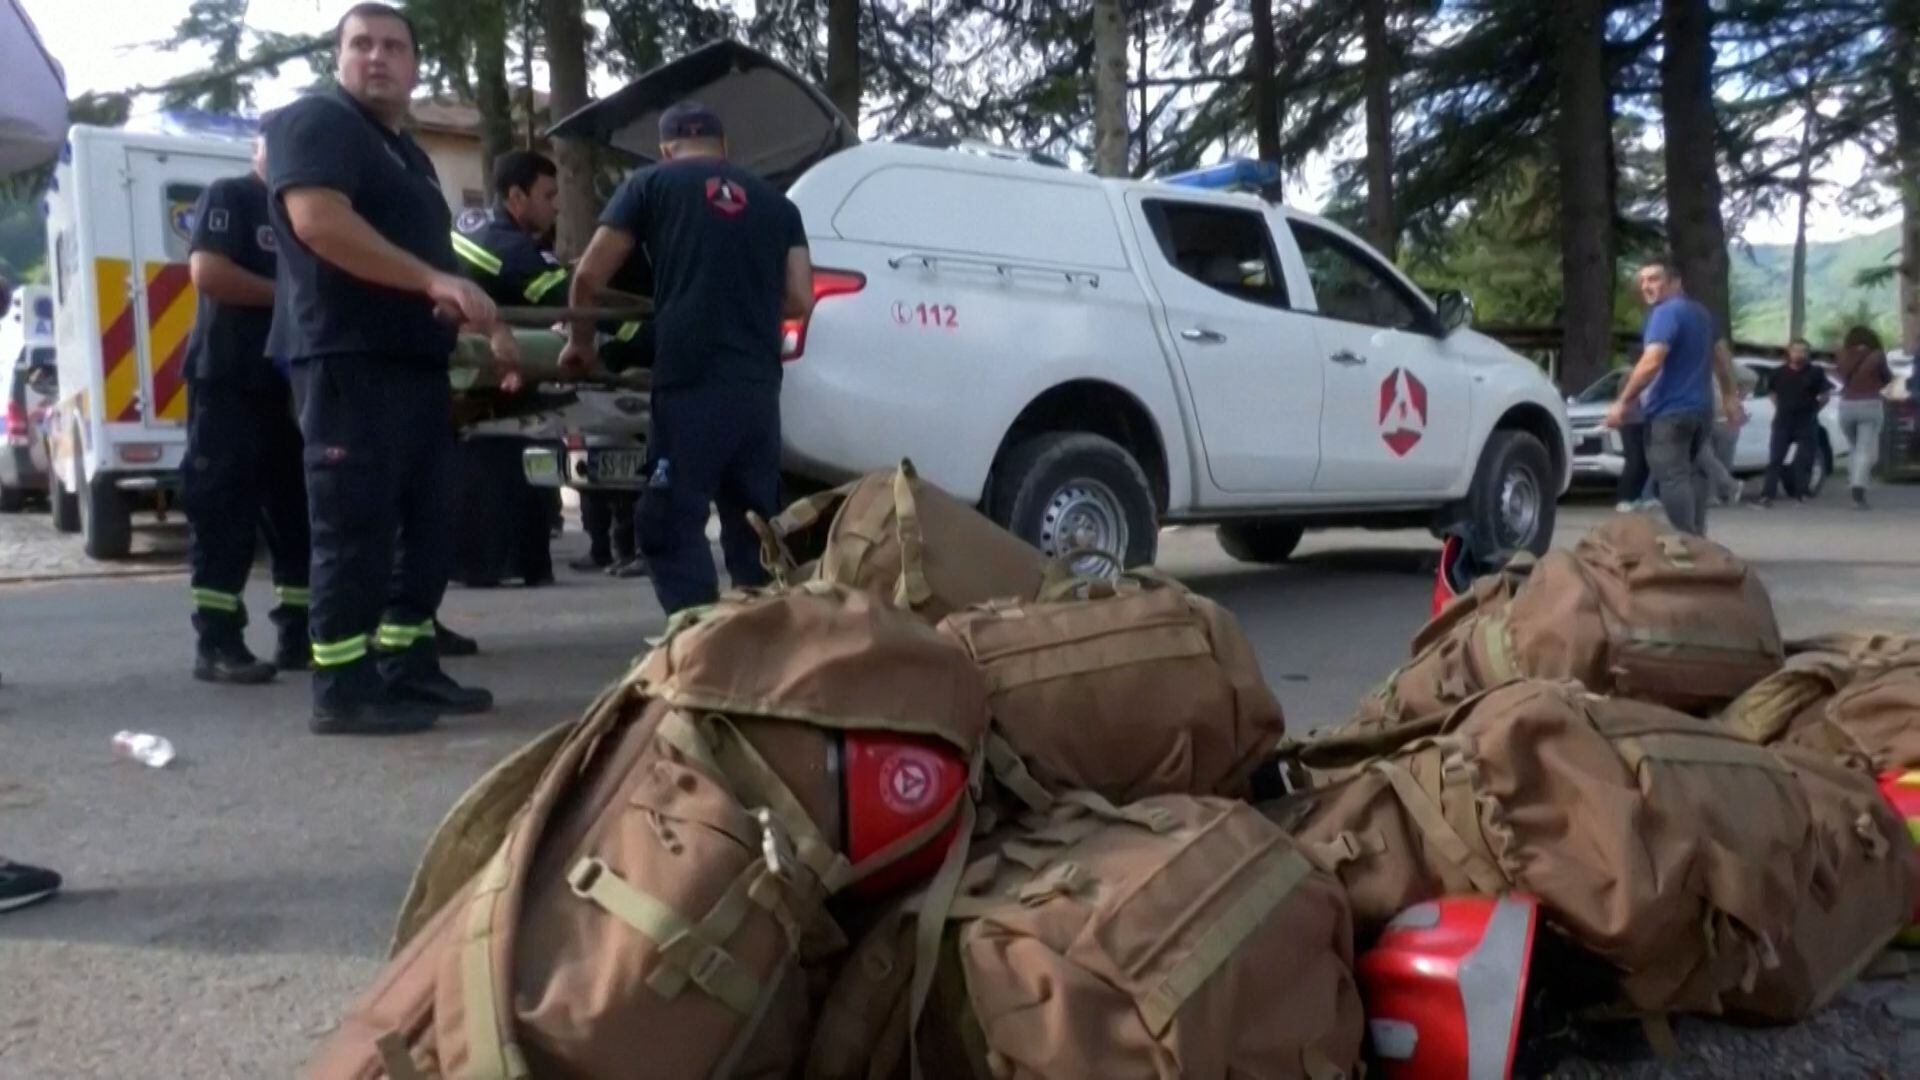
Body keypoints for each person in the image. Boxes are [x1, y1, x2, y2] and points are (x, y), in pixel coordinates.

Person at [263, 2, 516, 735]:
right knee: (355, 527)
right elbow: (318, 221)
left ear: (414, 66)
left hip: (413, 364)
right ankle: (341, 686)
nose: (377, 57)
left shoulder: (405, 153)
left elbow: (432, 265)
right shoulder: (318, 123)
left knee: (427, 523)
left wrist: (471, 318)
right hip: (349, 359)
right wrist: (431, 282)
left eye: (393, 47)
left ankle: (405, 662)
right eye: (361, 44)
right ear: (339, 58)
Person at [560, 102, 813, 614]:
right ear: (724, 149)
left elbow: (588, 276)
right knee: (755, 524)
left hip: (689, 381)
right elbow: (800, 300)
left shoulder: (649, 185)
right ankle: (759, 641)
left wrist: (581, 344)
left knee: (669, 520)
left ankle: (697, 639)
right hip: (757, 389)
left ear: (665, 149)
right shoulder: (778, 204)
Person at [178, 137, 312, 684]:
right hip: (229, 381)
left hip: (291, 388)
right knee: (224, 512)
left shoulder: (304, 212)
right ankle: (217, 641)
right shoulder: (230, 196)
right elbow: (208, 272)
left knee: (296, 515)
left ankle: (299, 634)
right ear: (259, 149)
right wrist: (292, 298)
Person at [449, 149, 570, 588]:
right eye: (548, 195)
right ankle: (502, 562)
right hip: (488, 376)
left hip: (477, 374)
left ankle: (518, 559)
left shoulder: (474, 223)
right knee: (503, 461)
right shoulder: (506, 246)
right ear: (516, 196)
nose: (555, 205)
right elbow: (568, 298)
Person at [1605, 255, 1741, 537]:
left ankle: (1687, 540)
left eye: (1654, 279)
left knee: (1672, 476)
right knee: (1694, 474)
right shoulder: (1701, 314)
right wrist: (1729, 396)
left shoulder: (1665, 313)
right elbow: (1722, 356)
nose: (1646, 286)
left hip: (1669, 411)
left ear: (1675, 282)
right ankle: (1699, 539)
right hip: (1701, 410)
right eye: (1642, 280)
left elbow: (1652, 361)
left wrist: (1624, 400)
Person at [1755, 339, 1827, 508]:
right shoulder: (1777, 373)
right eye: (1796, 350)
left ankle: (1801, 494)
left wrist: (1814, 409)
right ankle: (1767, 496)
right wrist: (1780, 407)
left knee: (1804, 459)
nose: (1799, 354)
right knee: (1775, 459)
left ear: (1808, 353)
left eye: (1803, 351)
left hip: (1806, 421)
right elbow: (1772, 392)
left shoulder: (1815, 372)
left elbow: (1825, 395)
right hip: (1783, 421)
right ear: (1789, 352)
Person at [1834, 325, 1895, 509]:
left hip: (1846, 406)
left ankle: (1853, 481)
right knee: (1864, 450)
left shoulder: (1842, 355)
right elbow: (1887, 378)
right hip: (1870, 404)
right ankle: (1858, 491)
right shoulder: (1877, 355)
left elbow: (1840, 376)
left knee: (1854, 447)